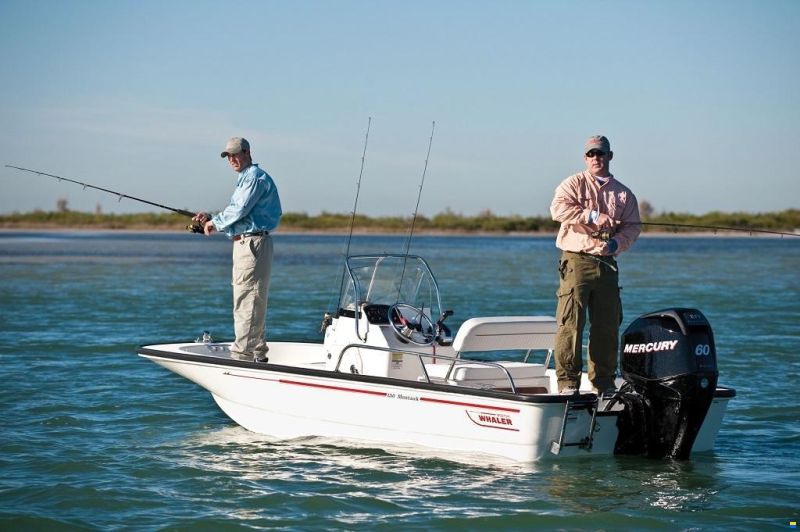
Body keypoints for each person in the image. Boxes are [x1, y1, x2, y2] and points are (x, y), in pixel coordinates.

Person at [549, 135, 641, 394]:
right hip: (576, 260)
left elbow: (632, 228)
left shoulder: (623, 193)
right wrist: (591, 215)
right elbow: (557, 210)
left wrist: (616, 244)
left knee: (607, 326)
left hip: (608, 264)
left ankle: (604, 384)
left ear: (610, 156)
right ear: (585, 158)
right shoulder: (573, 183)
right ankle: (568, 383)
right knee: (571, 323)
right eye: (591, 154)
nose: (596, 158)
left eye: (600, 153)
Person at [193, 137, 282, 362]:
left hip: (251, 245)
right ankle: (258, 355)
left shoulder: (253, 177)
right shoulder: (248, 178)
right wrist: (212, 218)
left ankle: (242, 357)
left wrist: (215, 223)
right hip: (250, 243)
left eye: (235, 154)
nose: (231, 159)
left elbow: (240, 209)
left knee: (247, 300)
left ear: (247, 152)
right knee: (253, 300)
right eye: (228, 156)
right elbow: (243, 215)